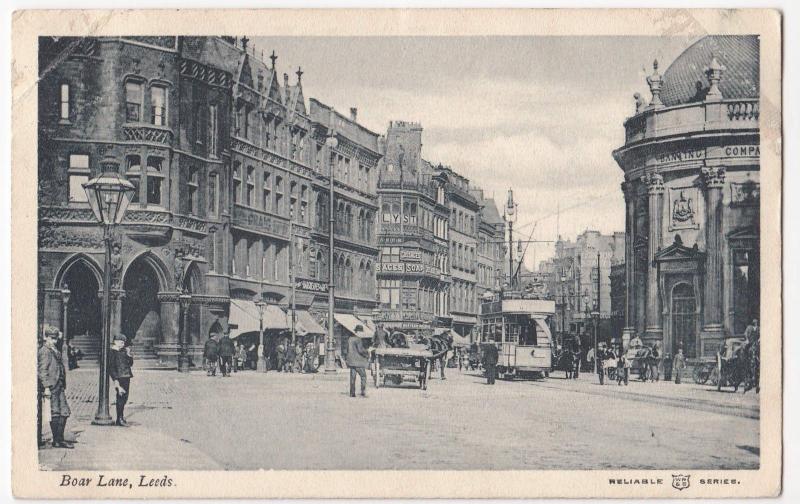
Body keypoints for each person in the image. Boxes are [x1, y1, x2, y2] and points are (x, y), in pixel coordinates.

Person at [38, 326, 73, 448]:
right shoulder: (44, 351)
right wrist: (46, 387)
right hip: (52, 386)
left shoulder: (53, 349)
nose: (54, 341)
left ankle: (59, 439)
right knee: (56, 412)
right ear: (46, 337)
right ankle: (57, 440)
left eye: (56, 339)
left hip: (59, 385)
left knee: (64, 411)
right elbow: (42, 371)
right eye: (52, 338)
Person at [108, 334, 134, 427]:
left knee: (125, 398)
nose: (123, 344)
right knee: (120, 398)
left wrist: (129, 355)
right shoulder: (112, 352)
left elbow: (130, 364)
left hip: (126, 376)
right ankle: (119, 419)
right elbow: (111, 367)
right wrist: (115, 380)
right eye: (121, 342)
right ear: (115, 342)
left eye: (123, 342)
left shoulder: (124, 351)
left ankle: (121, 417)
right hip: (119, 378)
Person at [346, 327, 370, 397]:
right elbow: (360, 350)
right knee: (363, 376)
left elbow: (347, 350)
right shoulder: (358, 339)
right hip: (358, 362)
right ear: (358, 332)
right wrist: (367, 353)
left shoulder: (349, 339)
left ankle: (352, 393)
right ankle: (363, 392)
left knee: (352, 377)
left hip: (351, 361)